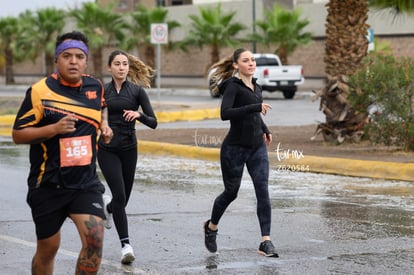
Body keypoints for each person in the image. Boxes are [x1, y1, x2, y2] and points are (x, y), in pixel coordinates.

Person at [12, 30, 113, 274]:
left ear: (86, 61)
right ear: (57, 60)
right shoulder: (39, 91)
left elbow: (101, 107)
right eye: (67, 56)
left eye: (79, 56)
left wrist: (105, 125)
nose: (73, 61)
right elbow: (18, 134)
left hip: (85, 182)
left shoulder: (95, 86)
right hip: (48, 184)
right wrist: (53, 128)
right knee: (48, 248)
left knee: (94, 240)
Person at [203, 48, 279, 257]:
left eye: (253, 60)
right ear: (236, 65)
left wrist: (265, 129)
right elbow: (225, 114)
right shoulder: (233, 88)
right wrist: (255, 107)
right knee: (231, 193)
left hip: (257, 148)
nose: (251, 63)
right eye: (246, 61)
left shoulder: (257, 86)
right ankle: (211, 227)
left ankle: (266, 241)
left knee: (263, 191)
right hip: (234, 149)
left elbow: (255, 113)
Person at [97, 50, 158, 264]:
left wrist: (139, 115)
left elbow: (153, 121)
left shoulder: (137, 92)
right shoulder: (102, 91)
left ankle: (109, 208)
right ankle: (126, 246)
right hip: (107, 150)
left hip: (129, 149)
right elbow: (94, 118)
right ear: (109, 68)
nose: (122, 67)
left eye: (124, 64)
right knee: (120, 195)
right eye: (117, 64)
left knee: (123, 199)